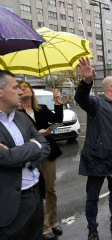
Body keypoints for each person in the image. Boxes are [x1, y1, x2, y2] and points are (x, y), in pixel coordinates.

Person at [74, 57, 112, 240]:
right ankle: (92, 229)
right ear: (110, 88)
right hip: (96, 159)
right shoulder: (96, 104)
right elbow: (80, 98)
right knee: (93, 197)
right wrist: (86, 81)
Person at [0, 70, 50, 240]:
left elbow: (44, 145)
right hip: (10, 204)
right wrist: (33, 146)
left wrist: (23, 154)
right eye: (15, 87)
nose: (21, 91)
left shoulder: (21, 117)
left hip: (35, 195)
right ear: (0, 92)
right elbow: (7, 158)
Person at [17, 81, 63, 240]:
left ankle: (53, 222)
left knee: (50, 189)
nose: (22, 90)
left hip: (48, 152)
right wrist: (37, 134)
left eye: (25, 87)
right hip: (30, 155)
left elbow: (58, 119)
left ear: (31, 90)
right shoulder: (16, 112)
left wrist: (57, 101)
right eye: (19, 88)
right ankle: (44, 227)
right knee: (37, 191)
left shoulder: (41, 108)